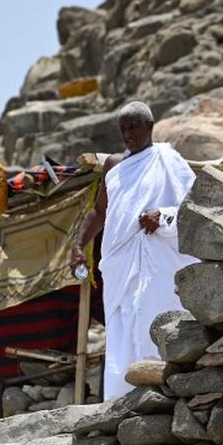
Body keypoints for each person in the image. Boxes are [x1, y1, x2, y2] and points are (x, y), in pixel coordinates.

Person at [69, 101, 198, 400]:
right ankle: (121, 398)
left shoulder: (169, 160)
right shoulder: (114, 165)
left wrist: (163, 215)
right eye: (123, 129)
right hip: (121, 264)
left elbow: (193, 207)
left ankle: (166, 393)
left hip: (159, 259)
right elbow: (99, 211)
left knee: (158, 317)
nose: (128, 134)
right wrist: (78, 245)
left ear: (149, 127)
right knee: (123, 325)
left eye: (134, 127)